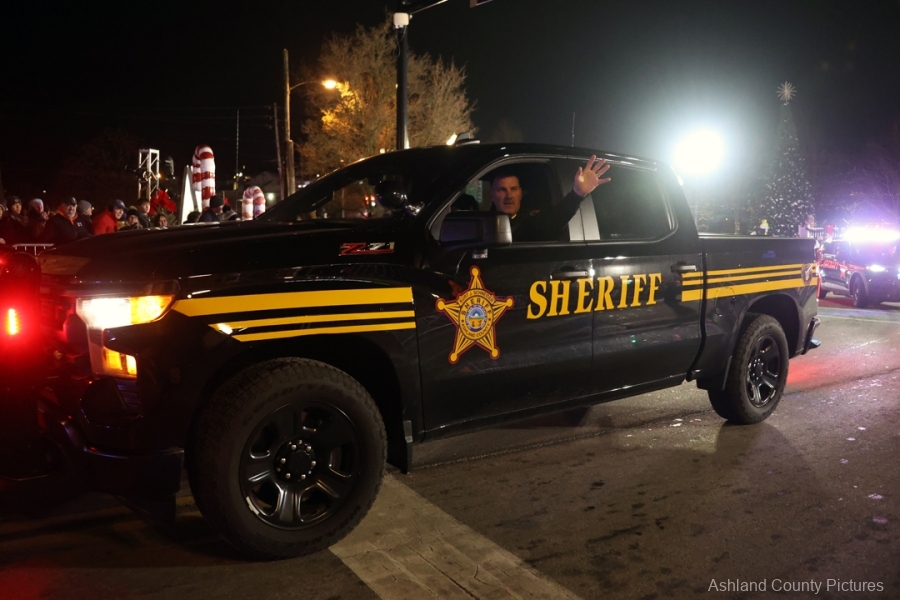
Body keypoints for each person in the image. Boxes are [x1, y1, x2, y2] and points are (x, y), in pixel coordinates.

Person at [490, 155, 610, 241]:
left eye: (514, 189)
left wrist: (577, 194)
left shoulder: (531, 222)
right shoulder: (483, 225)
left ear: (520, 194)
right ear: (492, 195)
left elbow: (556, 218)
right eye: (502, 190)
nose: (509, 196)